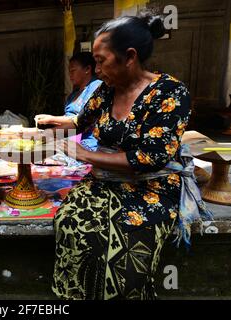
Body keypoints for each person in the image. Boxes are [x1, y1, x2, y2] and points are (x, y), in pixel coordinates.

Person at [36, 14, 211, 300]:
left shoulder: (170, 93)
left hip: (151, 186)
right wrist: (53, 121)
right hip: (106, 180)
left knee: (126, 241)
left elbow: (150, 158)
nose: (96, 68)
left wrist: (85, 154)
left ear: (129, 56)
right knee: (71, 221)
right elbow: (82, 120)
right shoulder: (106, 90)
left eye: (101, 60)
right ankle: (76, 295)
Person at [64, 52, 102, 151]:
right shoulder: (73, 94)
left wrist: (51, 119)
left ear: (87, 69)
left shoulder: (96, 87)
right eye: (69, 71)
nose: (70, 75)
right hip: (70, 139)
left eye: (73, 71)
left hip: (87, 144)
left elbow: (82, 120)